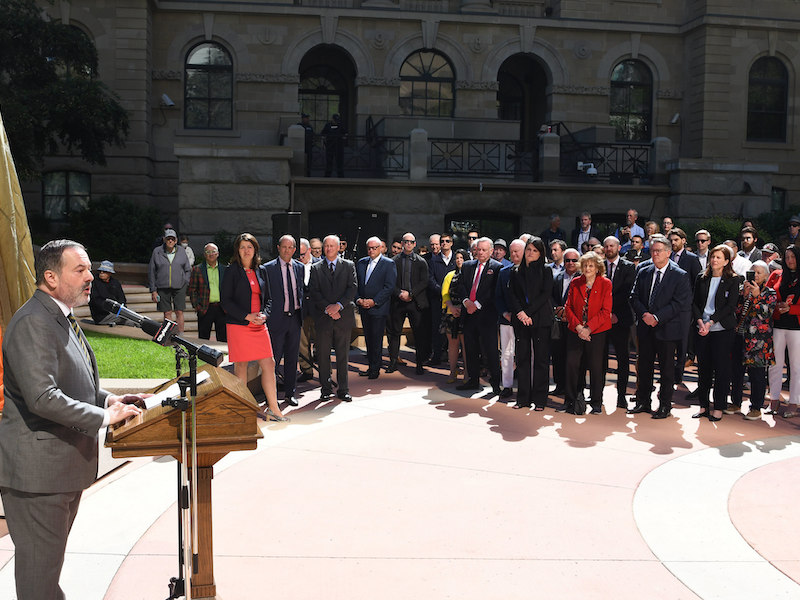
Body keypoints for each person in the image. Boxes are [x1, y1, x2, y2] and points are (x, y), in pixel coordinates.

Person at [0, 240, 145, 600]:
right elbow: (42, 397)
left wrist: (109, 398)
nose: (90, 276)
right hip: (39, 476)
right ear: (50, 277)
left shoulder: (59, 315)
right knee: (39, 578)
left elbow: (71, 382)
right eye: (79, 269)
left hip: (58, 472)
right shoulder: (34, 322)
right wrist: (103, 416)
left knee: (45, 574)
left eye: (89, 269)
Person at [220, 233, 288, 421]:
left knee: (269, 363)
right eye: (242, 247)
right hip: (239, 325)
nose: (246, 250)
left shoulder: (261, 270)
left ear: (255, 249)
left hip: (259, 325)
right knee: (240, 366)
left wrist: (265, 314)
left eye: (249, 247)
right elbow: (226, 301)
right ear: (237, 251)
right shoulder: (232, 271)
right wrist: (246, 316)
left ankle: (273, 409)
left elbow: (269, 299)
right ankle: (243, 411)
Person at [629, 234, 692, 418]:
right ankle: (643, 401)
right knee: (644, 367)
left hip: (667, 329)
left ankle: (665, 405)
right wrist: (645, 315)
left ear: (668, 252)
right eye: (652, 251)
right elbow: (634, 296)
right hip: (645, 328)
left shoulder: (680, 275)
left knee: (666, 370)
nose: (654, 254)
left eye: (658, 251)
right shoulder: (644, 271)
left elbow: (678, 303)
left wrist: (656, 317)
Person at [691, 244, 741, 421]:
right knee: (703, 369)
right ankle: (704, 406)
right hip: (702, 329)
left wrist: (711, 322)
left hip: (722, 330)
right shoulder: (701, 278)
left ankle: (719, 407)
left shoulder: (734, 280)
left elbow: (730, 307)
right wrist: (700, 322)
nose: (714, 260)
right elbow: (695, 303)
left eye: (719, 257)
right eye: (713, 256)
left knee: (721, 370)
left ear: (727, 261)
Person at [561, 251, 612, 415]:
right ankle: (571, 399)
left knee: (596, 367)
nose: (588, 268)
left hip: (597, 332)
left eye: (591, 265)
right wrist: (578, 328)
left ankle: (596, 401)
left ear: (598, 267)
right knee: (571, 364)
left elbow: (606, 311)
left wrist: (588, 328)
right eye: (585, 265)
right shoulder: (576, 282)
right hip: (575, 330)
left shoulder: (606, 284)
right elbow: (567, 307)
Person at [308, 234, 357, 402]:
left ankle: (343, 389)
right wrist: (328, 309)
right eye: (326, 246)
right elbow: (313, 291)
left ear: (338, 247)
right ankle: (326, 388)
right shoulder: (316, 267)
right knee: (323, 355)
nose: (328, 248)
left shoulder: (349, 266)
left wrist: (338, 306)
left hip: (343, 317)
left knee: (343, 356)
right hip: (323, 318)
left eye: (332, 246)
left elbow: (352, 289)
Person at [508, 236, 553, 409]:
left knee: (541, 361)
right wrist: (520, 313)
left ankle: (540, 400)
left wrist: (528, 312)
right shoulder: (516, 271)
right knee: (522, 359)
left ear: (540, 253)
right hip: (521, 320)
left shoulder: (546, 270)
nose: (530, 253)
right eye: (528, 250)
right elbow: (511, 294)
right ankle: (523, 399)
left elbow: (545, 294)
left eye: (535, 251)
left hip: (539, 320)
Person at [263, 235, 306, 407]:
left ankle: (290, 393)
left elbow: (302, 291)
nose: (287, 250)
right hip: (276, 320)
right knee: (273, 360)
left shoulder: (300, 268)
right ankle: (270, 395)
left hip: (295, 319)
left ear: (295, 250)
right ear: (278, 248)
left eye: (291, 247)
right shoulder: (267, 268)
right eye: (284, 247)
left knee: (292, 358)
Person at [456, 237, 503, 395]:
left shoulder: (497, 267)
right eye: (478, 250)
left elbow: (494, 290)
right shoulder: (468, 266)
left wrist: (477, 304)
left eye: (484, 250)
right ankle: (473, 380)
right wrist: (466, 302)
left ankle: (496, 383)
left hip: (486, 315)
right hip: (469, 315)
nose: (481, 253)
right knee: (470, 349)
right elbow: (460, 285)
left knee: (490, 350)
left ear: (491, 251)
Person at [730, 261, 776, 420]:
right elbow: (735, 311)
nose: (755, 276)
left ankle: (756, 406)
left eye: (758, 273)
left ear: (765, 276)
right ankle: (735, 402)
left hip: (758, 341)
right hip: (740, 337)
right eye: (752, 272)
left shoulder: (770, 293)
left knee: (756, 374)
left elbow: (766, 314)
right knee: (736, 372)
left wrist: (756, 298)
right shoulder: (743, 290)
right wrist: (743, 297)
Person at [387, 233, 430, 375]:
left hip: (415, 302)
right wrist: (399, 293)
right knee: (395, 333)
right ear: (402, 243)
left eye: (411, 242)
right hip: (398, 302)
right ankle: (393, 362)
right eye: (406, 242)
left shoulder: (421, 261)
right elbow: (390, 282)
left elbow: (424, 282)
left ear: (415, 244)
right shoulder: (393, 261)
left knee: (419, 333)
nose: (409, 244)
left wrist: (410, 294)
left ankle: (419, 364)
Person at [602, 236, 637, 409]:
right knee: (599, 359)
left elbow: (626, 292)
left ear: (619, 247)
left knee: (623, 359)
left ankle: (622, 395)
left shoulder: (629, 267)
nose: (609, 248)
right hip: (601, 319)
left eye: (612, 246)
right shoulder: (598, 265)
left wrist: (612, 312)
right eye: (606, 246)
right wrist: (606, 313)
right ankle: (596, 395)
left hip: (620, 319)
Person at [356, 237, 397, 379]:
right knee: (368, 338)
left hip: (378, 308)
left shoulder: (388, 264)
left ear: (381, 248)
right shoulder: (361, 263)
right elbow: (356, 283)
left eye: (374, 248)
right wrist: (358, 299)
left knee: (376, 338)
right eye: (369, 248)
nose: (371, 250)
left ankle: (375, 368)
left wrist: (374, 301)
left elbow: (389, 287)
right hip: (363, 306)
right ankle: (371, 366)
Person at [767, 245, 800, 418]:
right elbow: (767, 297)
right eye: (787, 257)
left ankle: (794, 402)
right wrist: (777, 308)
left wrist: (792, 309)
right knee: (775, 364)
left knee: (795, 366)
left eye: (793, 257)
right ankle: (774, 400)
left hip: (797, 328)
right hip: (778, 325)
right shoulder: (777, 275)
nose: (790, 260)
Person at [495, 238, 525, 399]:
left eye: (517, 252)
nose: (514, 254)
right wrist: (505, 313)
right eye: (512, 252)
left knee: (526, 354)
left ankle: (526, 387)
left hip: (525, 321)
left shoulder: (530, 272)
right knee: (506, 354)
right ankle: (506, 386)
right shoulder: (503, 272)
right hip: (506, 320)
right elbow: (498, 296)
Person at [148, 228, 192, 333]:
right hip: (162, 286)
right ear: (164, 239)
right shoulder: (157, 252)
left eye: (173, 239)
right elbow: (151, 271)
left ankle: (181, 335)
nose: (170, 241)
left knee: (179, 311)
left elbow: (187, 269)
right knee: (167, 312)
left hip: (180, 286)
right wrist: (153, 290)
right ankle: (169, 335)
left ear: (176, 240)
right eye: (168, 239)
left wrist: (185, 282)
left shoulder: (181, 251)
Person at [551, 248, 581, 395]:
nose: (570, 263)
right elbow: (550, 296)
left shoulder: (583, 279)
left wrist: (567, 312)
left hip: (575, 323)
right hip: (558, 322)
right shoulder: (557, 277)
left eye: (574, 260)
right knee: (558, 354)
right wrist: (557, 309)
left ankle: (575, 388)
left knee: (573, 357)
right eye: (567, 260)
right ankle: (560, 385)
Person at [188, 243, 227, 342]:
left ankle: (223, 357)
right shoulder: (197, 269)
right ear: (204, 254)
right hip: (205, 308)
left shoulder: (225, 269)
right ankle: (203, 357)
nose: (211, 254)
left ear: (218, 254)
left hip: (222, 308)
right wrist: (197, 306)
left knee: (223, 338)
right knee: (203, 338)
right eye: (208, 252)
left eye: (213, 252)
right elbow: (192, 290)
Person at [428, 232, 456, 367]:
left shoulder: (457, 259)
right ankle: (437, 355)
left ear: (451, 243)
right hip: (437, 300)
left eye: (447, 241)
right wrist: (442, 291)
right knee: (436, 328)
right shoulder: (434, 260)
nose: (444, 243)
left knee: (452, 329)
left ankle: (451, 358)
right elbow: (430, 279)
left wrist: (450, 293)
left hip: (454, 301)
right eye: (442, 241)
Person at [441, 249, 469, 384]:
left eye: (461, 258)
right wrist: (452, 307)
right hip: (451, 314)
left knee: (466, 344)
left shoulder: (470, 275)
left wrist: (463, 308)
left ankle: (467, 373)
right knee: (452, 344)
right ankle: (452, 371)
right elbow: (445, 293)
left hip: (466, 314)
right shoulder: (449, 275)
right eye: (457, 258)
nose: (459, 260)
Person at [297, 238, 316, 383]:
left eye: (303, 254)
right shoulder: (294, 266)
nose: (300, 257)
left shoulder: (320, 264)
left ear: (309, 250)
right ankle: (306, 370)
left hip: (318, 311)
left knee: (322, 343)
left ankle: (325, 372)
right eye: (298, 254)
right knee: (302, 343)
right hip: (301, 311)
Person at [89, 260, 128, 325]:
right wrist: (112, 309)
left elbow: (122, 299)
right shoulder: (94, 282)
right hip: (102, 316)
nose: (101, 272)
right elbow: (96, 301)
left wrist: (121, 309)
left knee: (132, 317)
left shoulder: (115, 283)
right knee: (131, 319)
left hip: (116, 313)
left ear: (110, 273)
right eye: (100, 271)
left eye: (104, 271)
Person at [322, 113, 347, 177]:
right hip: (330, 146)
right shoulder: (328, 125)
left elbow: (345, 134)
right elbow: (323, 134)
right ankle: (327, 176)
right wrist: (324, 144)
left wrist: (344, 138)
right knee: (329, 163)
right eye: (335, 120)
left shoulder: (341, 126)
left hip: (339, 147)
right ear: (332, 119)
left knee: (339, 163)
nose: (336, 122)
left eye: (337, 121)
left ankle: (341, 177)